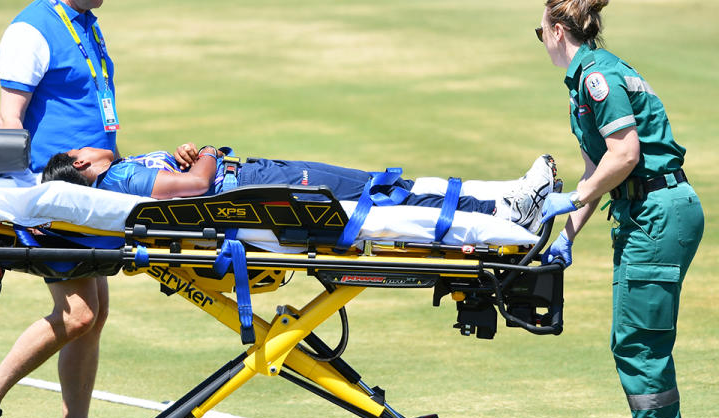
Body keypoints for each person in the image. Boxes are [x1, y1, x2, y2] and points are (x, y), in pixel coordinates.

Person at [0, 0, 123, 418]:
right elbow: (10, 119)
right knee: (80, 313)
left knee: (95, 315)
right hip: (54, 198)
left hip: (87, 196)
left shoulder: (88, 23)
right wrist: (31, 199)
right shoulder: (31, 30)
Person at [535, 0, 703, 418]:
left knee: (638, 342)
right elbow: (598, 171)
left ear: (558, 30)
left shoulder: (597, 78)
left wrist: (575, 197)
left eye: (539, 30)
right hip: (645, 209)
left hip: (656, 212)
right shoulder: (591, 75)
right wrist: (565, 236)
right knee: (637, 339)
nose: (540, 39)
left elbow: (625, 155)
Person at [41, 144, 558, 231]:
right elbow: (198, 184)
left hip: (258, 180)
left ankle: (501, 196)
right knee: (378, 197)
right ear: (81, 165)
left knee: (380, 186)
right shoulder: (120, 177)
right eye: (82, 151)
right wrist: (208, 154)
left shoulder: (122, 174)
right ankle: (504, 210)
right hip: (259, 184)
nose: (93, 147)